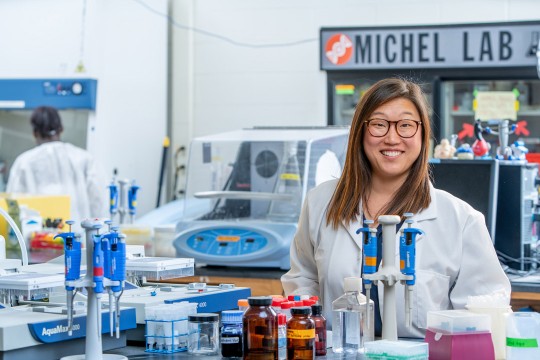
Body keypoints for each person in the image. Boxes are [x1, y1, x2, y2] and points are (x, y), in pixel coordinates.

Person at [281, 78, 510, 338]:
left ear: (423, 135)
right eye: (378, 124)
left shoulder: (461, 219)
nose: (392, 138)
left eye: (406, 126)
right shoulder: (320, 203)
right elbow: (302, 281)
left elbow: (482, 311)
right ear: (360, 132)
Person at [6, 106, 108, 226]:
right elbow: (99, 203)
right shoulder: (84, 159)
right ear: (61, 129)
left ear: (35, 133)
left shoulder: (23, 162)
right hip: (78, 239)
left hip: (37, 241)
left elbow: (12, 208)